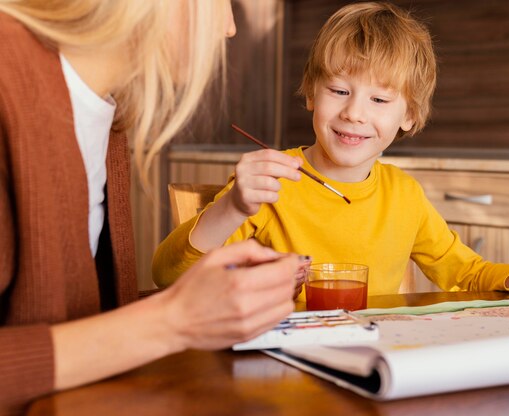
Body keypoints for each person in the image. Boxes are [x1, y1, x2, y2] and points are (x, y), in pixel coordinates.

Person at [152, 1, 509, 298]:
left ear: (409, 116)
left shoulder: (404, 195)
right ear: (310, 93)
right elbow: (168, 277)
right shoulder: (268, 185)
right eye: (338, 90)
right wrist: (231, 206)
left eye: (380, 100)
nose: (354, 114)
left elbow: (465, 273)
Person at [0, 1, 305, 413]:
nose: (230, 28)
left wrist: (210, 306)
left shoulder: (108, 119)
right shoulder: (9, 77)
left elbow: (77, 319)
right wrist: (172, 319)